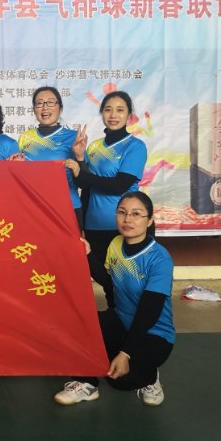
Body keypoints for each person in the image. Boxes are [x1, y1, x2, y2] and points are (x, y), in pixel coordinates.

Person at [54, 191, 174, 407]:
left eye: (136, 214)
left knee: (121, 380)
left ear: (149, 220)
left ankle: (150, 377)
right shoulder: (116, 244)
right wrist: (87, 254)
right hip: (120, 319)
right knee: (77, 325)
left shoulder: (159, 258)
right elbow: (109, 283)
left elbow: (149, 311)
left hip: (154, 332)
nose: (128, 219)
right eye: (122, 212)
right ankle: (86, 384)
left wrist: (125, 353)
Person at [68, 90, 147, 309]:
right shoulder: (94, 146)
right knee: (100, 274)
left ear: (129, 115)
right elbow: (85, 185)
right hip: (94, 225)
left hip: (122, 225)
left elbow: (119, 185)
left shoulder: (135, 146)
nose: (113, 115)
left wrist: (82, 173)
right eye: (108, 109)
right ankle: (115, 317)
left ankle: (125, 320)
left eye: (120, 110)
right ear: (102, 113)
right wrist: (80, 157)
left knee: (122, 280)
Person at [17, 86, 85, 230]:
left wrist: (80, 159)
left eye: (51, 102)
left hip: (67, 206)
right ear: (34, 109)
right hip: (33, 207)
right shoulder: (25, 138)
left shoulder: (74, 137)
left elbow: (85, 180)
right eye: (40, 103)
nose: (45, 107)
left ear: (60, 108)